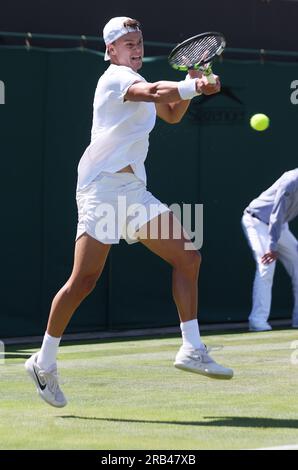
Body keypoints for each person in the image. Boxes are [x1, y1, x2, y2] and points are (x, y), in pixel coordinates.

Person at [25, 16, 233, 408]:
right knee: (83, 280)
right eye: (127, 43)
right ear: (111, 51)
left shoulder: (139, 82)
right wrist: (196, 84)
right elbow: (156, 92)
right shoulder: (115, 79)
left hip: (134, 192)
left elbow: (171, 112)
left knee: (188, 257)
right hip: (101, 188)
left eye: (139, 42)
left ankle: (191, 347)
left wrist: (191, 82)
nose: (136, 48)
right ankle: (44, 361)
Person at [242, 168, 298, 332]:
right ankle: (257, 321)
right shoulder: (291, 181)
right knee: (266, 266)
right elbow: (276, 213)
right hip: (257, 222)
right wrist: (272, 246)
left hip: (280, 226)